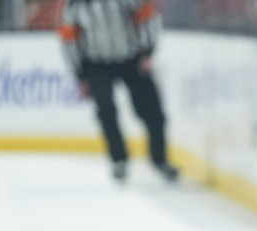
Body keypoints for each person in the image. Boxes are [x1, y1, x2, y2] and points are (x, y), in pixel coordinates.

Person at [58, 0, 179, 183]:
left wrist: (148, 52)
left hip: (131, 58)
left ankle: (160, 159)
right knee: (106, 110)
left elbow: (147, 16)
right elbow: (68, 39)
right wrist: (80, 75)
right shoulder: (74, 5)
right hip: (95, 64)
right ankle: (119, 159)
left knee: (151, 110)